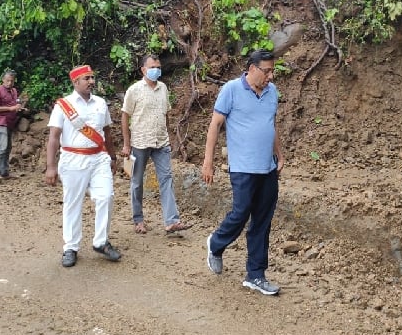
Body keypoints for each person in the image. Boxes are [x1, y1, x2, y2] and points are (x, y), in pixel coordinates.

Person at [201, 49, 284, 295]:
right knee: (241, 213)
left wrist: (279, 153)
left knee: (263, 221)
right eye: (266, 70)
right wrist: (208, 161)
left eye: (272, 70)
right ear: (251, 68)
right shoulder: (231, 90)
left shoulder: (272, 92)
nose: (270, 76)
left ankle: (255, 275)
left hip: (267, 167)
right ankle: (216, 243)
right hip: (243, 167)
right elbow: (215, 125)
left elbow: (270, 125)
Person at [45, 65, 121, 268]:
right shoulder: (63, 105)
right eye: (86, 78)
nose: (91, 82)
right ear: (75, 82)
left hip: (98, 158)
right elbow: (53, 137)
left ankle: (100, 241)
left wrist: (112, 156)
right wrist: (50, 166)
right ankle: (71, 247)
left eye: (93, 78)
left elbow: (107, 132)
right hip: (73, 160)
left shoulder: (100, 103)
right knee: (73, 202)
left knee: (106, 196)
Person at [121, 54, 192, 235]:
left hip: (161, 142)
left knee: (166, 179)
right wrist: (126, 144)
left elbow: (166, 113)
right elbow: (125, 116)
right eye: (152, 67)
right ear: (143, 70)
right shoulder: (134, 90)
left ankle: (171, 221)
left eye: (158, 67)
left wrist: (168, 136)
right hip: (140, 142)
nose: (156, 70)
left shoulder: (163, 88)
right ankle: (138, 220)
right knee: (137, 182)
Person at [0, 69, 24, 180]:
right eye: (7, 80)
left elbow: (14, 105)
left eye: (12, 81)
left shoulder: (14, 91)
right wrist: (10, 108)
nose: (9, 83)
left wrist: (19, 108)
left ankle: (4, 172)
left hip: (9, 123)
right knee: (2, 146)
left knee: (7, 147)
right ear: (3, 80)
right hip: (0, 122)